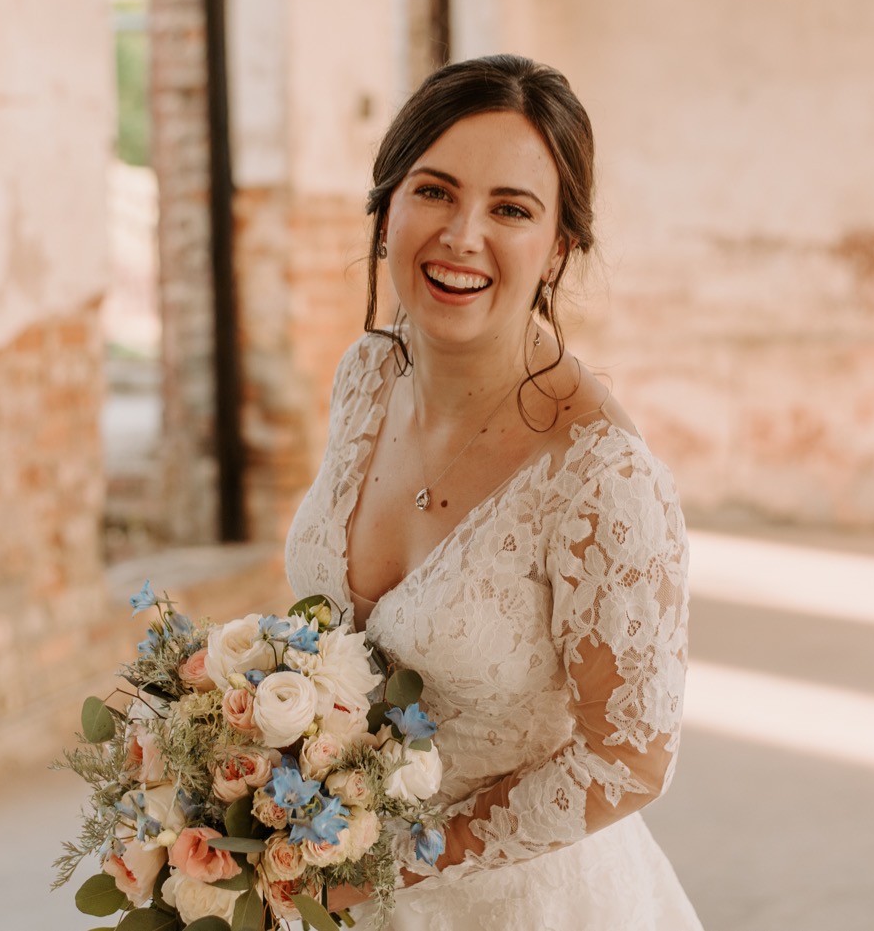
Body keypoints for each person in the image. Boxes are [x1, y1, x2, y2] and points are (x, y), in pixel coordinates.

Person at [285, 54, 703, 930]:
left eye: (510, 209)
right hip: (330, 883)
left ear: (557, 246)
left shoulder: (602, 477)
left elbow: (629, 757)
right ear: (388, 205)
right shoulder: (366, 375)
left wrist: (398, 859)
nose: (462, 234)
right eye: (434, 192)